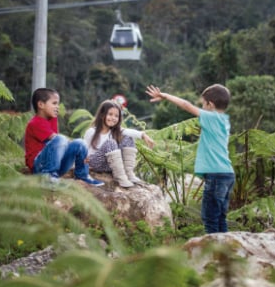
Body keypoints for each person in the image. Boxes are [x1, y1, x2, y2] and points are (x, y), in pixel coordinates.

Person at [145, 84, 235, 234]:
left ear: (210, 105)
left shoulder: (211, 117)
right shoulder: (224, 120)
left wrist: (165, 96)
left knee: (210, 217)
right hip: (227, 174)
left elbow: (186, 105)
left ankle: (215, 250)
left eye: (202, 104)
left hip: (216, 175)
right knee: (220, 217)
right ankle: (224, 247)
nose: (201, 108)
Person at [24, 88, 104, 186]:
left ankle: (82, 176)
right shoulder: (35, 123)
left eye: (58, 104)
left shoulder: (52, 119)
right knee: (60, 139)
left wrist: (83, 152)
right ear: (41, 105)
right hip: (39, 167)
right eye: (54, 103)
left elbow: (60, 147)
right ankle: (48, 177)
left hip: (56, 166)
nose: (57, 107)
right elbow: (57, 140)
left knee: (80, 143)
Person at [83, 100, 154, 188]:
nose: (113, 118)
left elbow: (129, 131)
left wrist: (143, 135)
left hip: (109, 164)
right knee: (110, 142)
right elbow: (83, 148)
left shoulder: (115, 131)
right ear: (102, 115)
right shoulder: (91, 131)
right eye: (110, 114)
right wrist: (82, 161)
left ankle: (128, 173)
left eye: (116, 116)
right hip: (95, 162)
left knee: (128, 137)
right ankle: (121, 178)